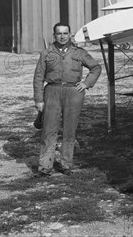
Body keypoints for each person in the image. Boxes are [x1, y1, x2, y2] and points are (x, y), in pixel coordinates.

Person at [33, 23, 101, 177]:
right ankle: (45, 167)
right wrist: (39, 99)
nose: (62, 37)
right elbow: (38, 77)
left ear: (70, 34)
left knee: (69, 130)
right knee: (48, 130)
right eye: (59, 33)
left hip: (73, 92)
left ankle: (66, 165)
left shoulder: (79, 52)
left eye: (65, 33)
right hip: (52, 91)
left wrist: (86, 83)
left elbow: (96, 68)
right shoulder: (46, 53)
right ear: (54, 35)